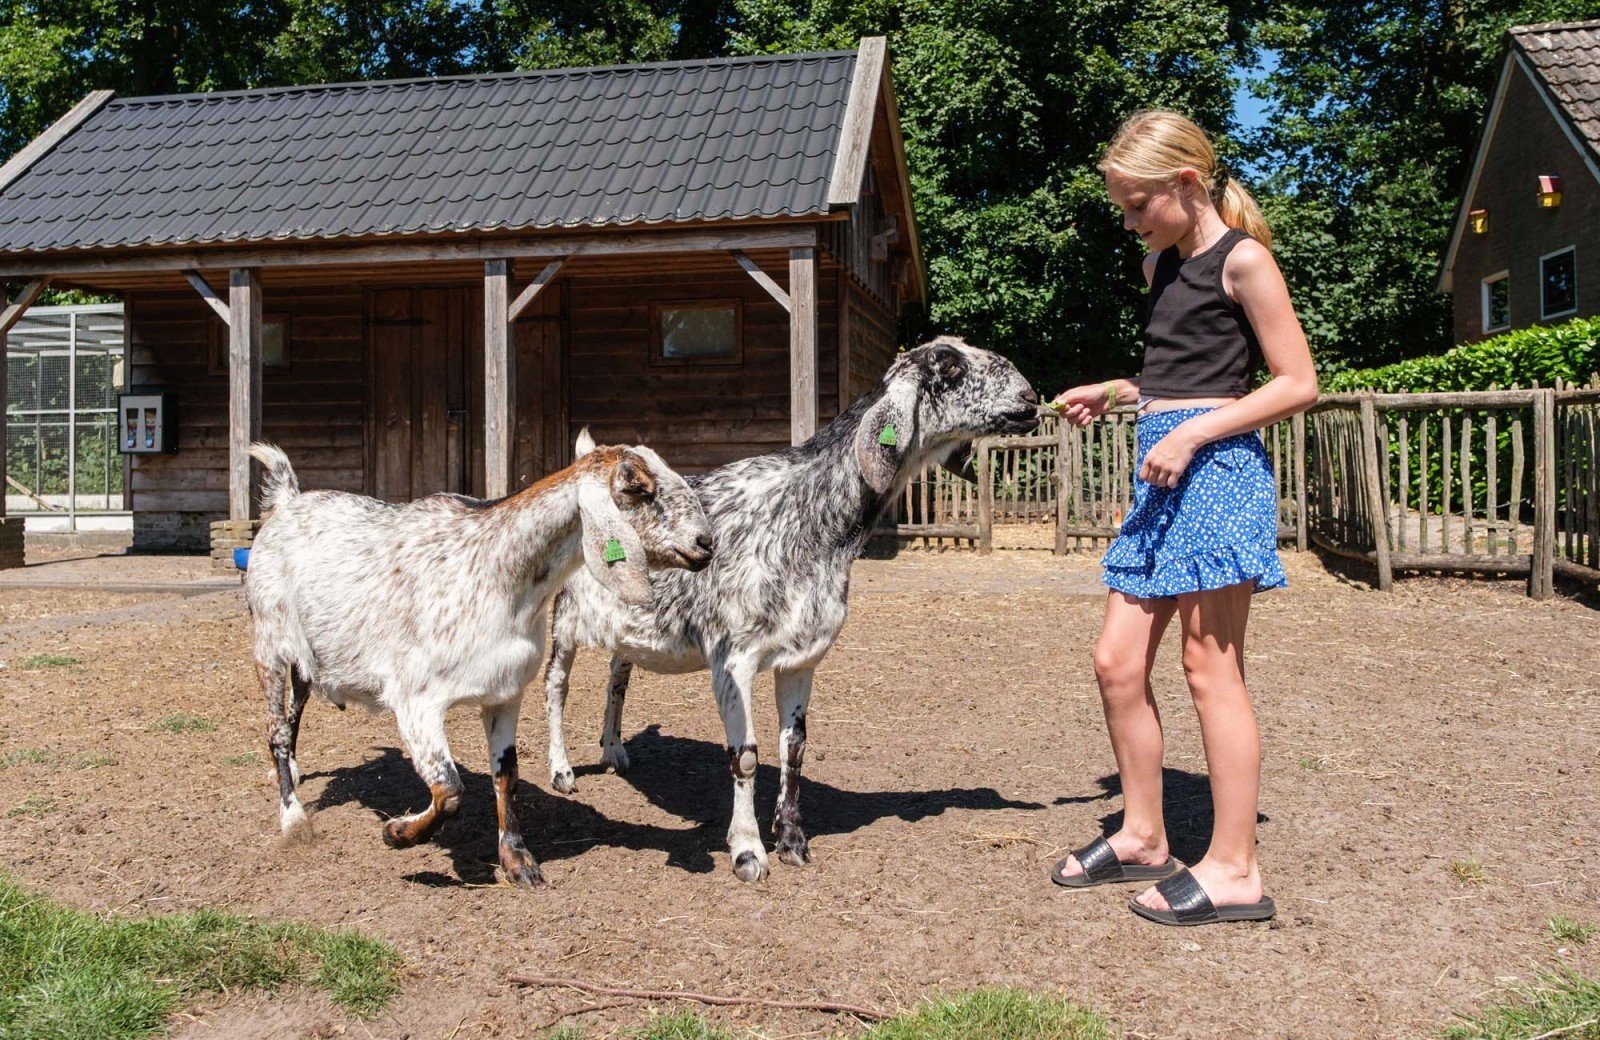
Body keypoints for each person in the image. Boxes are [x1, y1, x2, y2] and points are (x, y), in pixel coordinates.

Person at [1048, 110, 1318, 926]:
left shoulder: (1246, 261)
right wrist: (1118, 391)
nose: (1130, 221)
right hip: (1161, 474)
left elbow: (1298, 382)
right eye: (1124, 208)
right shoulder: (1158, 265)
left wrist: (1196, 431)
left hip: (1217, 472)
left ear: (1186, 183)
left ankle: (1236, 869)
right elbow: (1177, 373)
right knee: (1116, 662)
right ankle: (1143, 835)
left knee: (1210, 669)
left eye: (1138, 204)